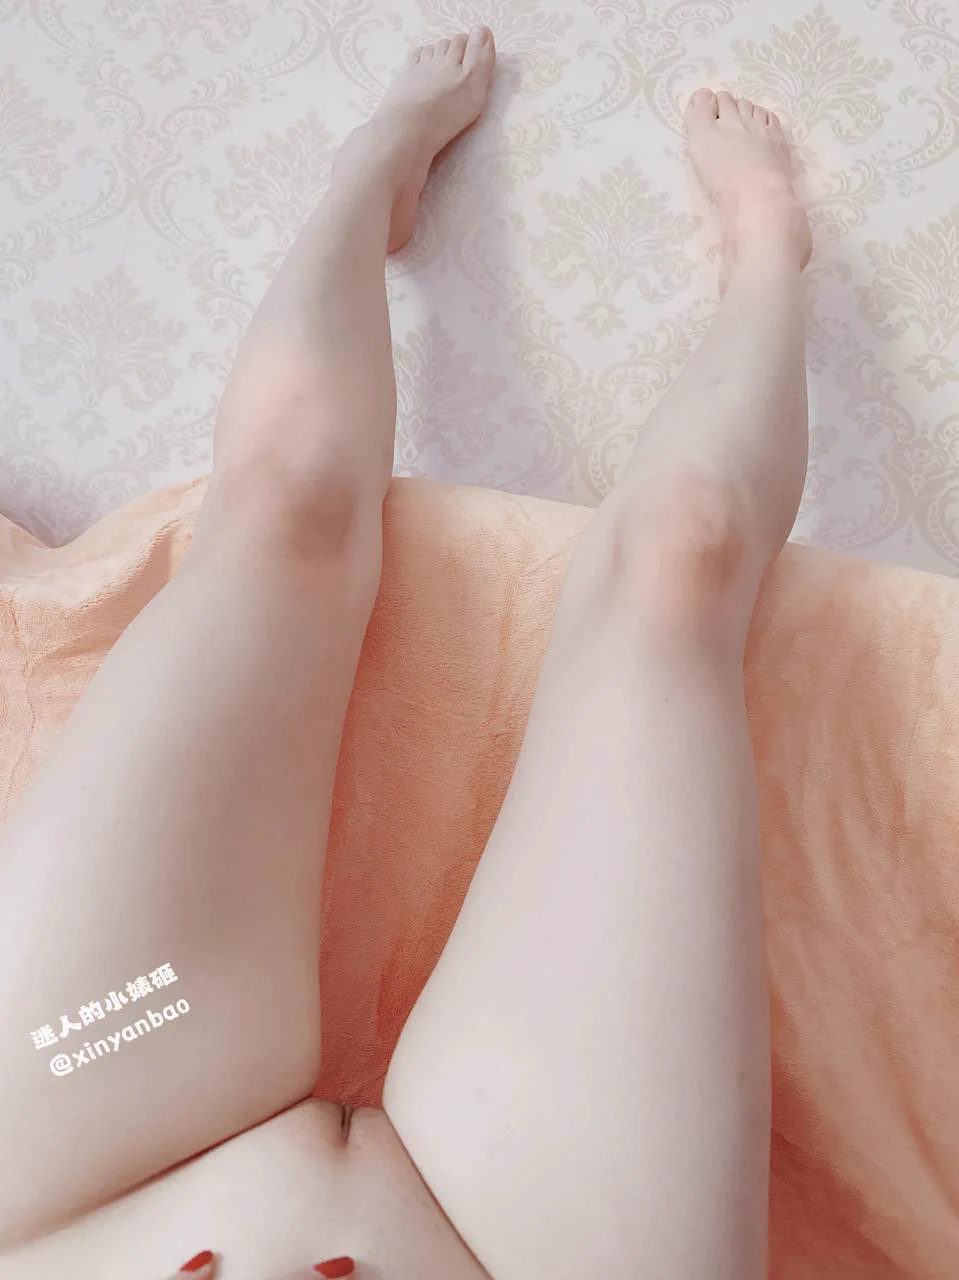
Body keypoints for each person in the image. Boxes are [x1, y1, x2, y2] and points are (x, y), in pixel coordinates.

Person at [0, 22, 812, 1280]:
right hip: (532, 1242)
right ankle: (771, 258)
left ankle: (366, 178)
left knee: (287, 506)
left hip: (96, 1113)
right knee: (678, 560)